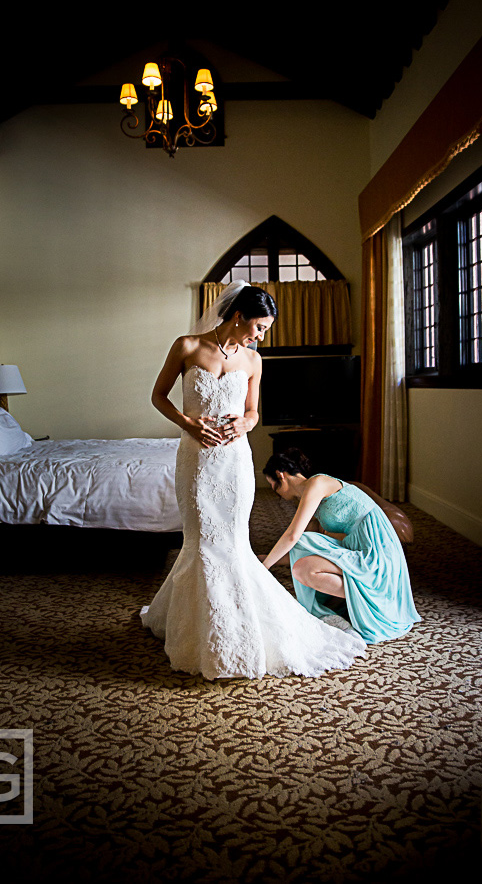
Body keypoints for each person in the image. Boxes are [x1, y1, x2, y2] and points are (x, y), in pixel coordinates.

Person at [140, 282, 367, 679]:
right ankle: (195, 626)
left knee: (231, 539)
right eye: (258, 326)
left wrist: (246, 422)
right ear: (238, 315)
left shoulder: (253, 360)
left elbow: (252, 412)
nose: (260, 336)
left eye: (264, 330)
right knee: (200, 540)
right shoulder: (187, 346)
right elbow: (159, 396)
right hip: (195, 461)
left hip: (234, 463)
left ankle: (237, 625)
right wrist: (188, 424)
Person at [260, 449, 421, 644]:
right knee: (302, 562)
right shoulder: (309, 499)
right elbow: (304, 545)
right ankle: (360, 599)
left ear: (281, 475)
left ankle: (375, 597)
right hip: (357, 546)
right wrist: (263, 559)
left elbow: (293, 536)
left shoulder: (317, 483)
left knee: (301, 547)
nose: (274, 492)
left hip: (375, 548)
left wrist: (264, 567)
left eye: (273, 486)